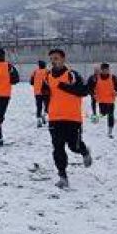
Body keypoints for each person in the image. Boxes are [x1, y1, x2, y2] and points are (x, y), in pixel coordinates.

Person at [43, 48, 93, 189]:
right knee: (58, 148)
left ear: (63, 59)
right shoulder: (47, 76)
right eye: (51, 59)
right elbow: (45, 93)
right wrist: (46, 107)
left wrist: (64, 86)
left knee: (74, 146)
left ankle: (84, 151)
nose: (53, 61)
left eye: (56, 58)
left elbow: (84, 91)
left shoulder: (72, 75)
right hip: (55, 119)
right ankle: (63, 176)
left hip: (72, 118)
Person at [91, 63, 117, 138]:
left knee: (111, 115)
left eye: (107, 70)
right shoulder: (96, 78)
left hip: (110, 101)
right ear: (101, 70)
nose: (105, 71)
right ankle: (97, 116)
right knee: (103, 113)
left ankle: (110, 132)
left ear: (109, 70)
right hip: (101, 101)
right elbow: (91, 87)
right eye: (104, 70)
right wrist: (93, 93)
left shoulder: (113, 78)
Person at [30, 60, 50, 128]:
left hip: (37, 92)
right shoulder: (47, 72)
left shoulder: (35, 72)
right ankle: (44, 116)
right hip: (46, 92)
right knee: (47, 105)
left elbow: (31, 82)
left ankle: (38, 121)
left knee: (39, 106)